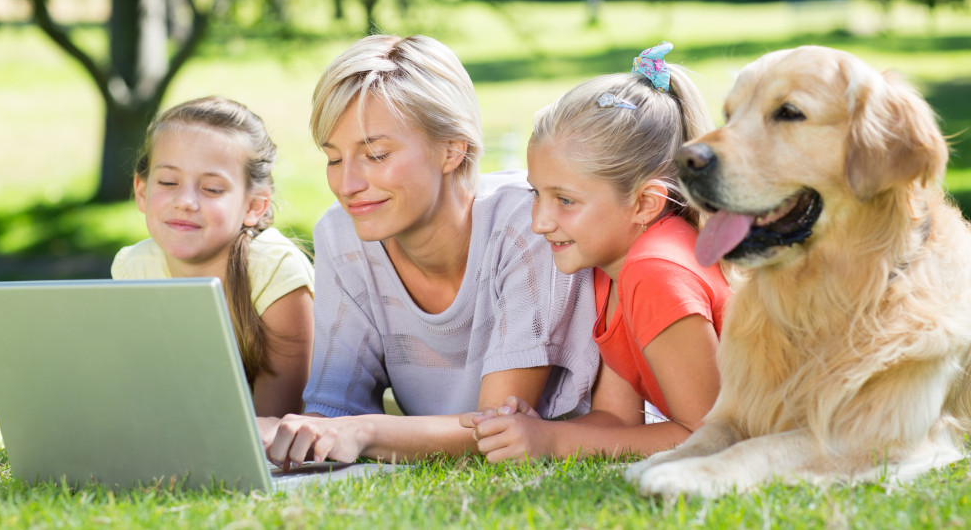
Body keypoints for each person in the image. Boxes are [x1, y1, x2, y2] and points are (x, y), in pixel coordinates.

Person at [259, 34, 599, 467]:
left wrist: (364, 431)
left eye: (376, 155)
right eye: (333, 158)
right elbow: (332, 407)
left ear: (452, 150)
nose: (347, 186)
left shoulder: (529, 227)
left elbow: (498, 428)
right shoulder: (340, 236)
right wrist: (289, 433)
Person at [462, 42, 731, 461]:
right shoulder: (614, 264)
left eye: (565, 200)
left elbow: (714, 439)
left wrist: (552, 442)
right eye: (537, 194)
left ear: (644, 203)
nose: (539, 222)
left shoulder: (655, 272)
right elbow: (618, 420)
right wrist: (533, 431)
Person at [112, 96, 315, 418]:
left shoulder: (275, 271)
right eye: (168, 182)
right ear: (141, 191)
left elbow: (275, 421)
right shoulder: (134, 266)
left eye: (212, 189)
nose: (186, 201)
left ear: (254, 206)